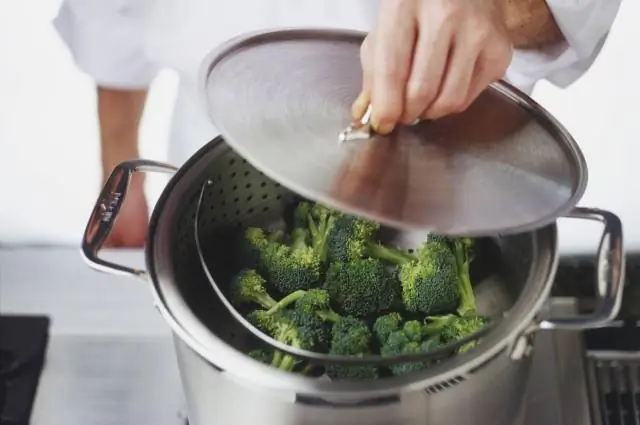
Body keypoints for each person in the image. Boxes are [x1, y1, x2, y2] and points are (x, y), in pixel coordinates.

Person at [53, 0, 622, 248]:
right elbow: (111, 18)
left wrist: (495, 9)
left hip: (453, 158)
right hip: (211, 148)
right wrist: (120, 175)